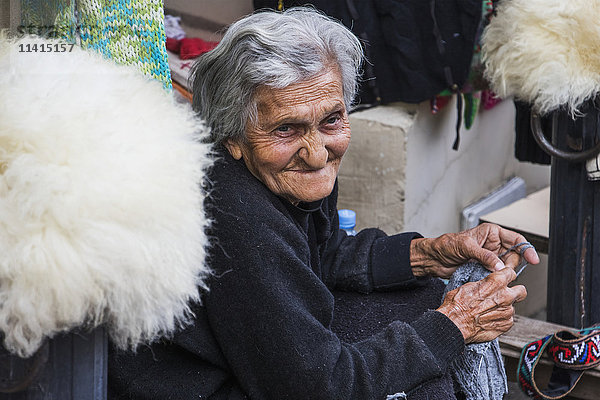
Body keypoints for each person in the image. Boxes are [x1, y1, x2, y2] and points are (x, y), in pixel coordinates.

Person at [108, 7, 539, 399]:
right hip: (198, 386)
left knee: (424, 295)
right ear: (232, 138)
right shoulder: (238, 215)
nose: (317, 153)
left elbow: (322, 252)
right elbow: (317, 388)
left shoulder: (286, 175)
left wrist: (430, 254)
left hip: (258, 360)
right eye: (286, 130)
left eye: (332, 120)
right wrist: (456, 324)